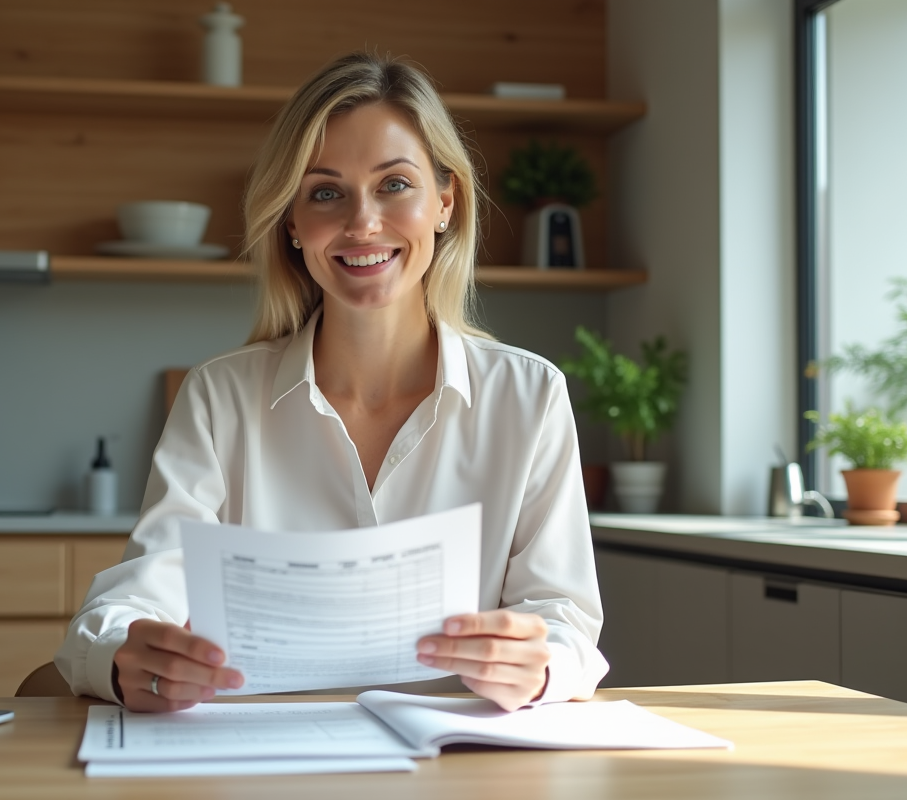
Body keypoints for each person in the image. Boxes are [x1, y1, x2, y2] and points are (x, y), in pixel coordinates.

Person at [55, 52, 607, 712]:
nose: (362, 222)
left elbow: (568, 625)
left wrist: (538, 665)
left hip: (459, 762)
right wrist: (127, 659)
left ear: (444, 201)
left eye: (395, 184)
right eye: (325, 192)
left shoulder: (529, 397)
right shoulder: (219, 399)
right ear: (291, 223)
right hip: (261, 760)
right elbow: (130, 605)